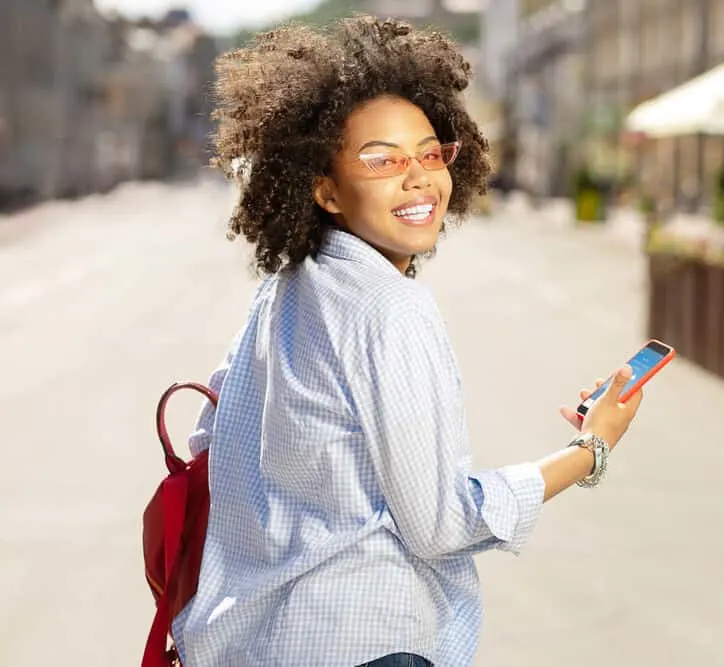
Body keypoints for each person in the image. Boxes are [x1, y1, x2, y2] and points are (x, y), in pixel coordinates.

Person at [173, 17, 644, 667]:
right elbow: (441, 524)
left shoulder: (285, 290)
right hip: (363, 643)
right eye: (382, 159)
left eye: (429, 152)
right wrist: (591, 448)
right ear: (325, 189)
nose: (419, 177)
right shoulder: (389, 309)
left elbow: (211, 442)